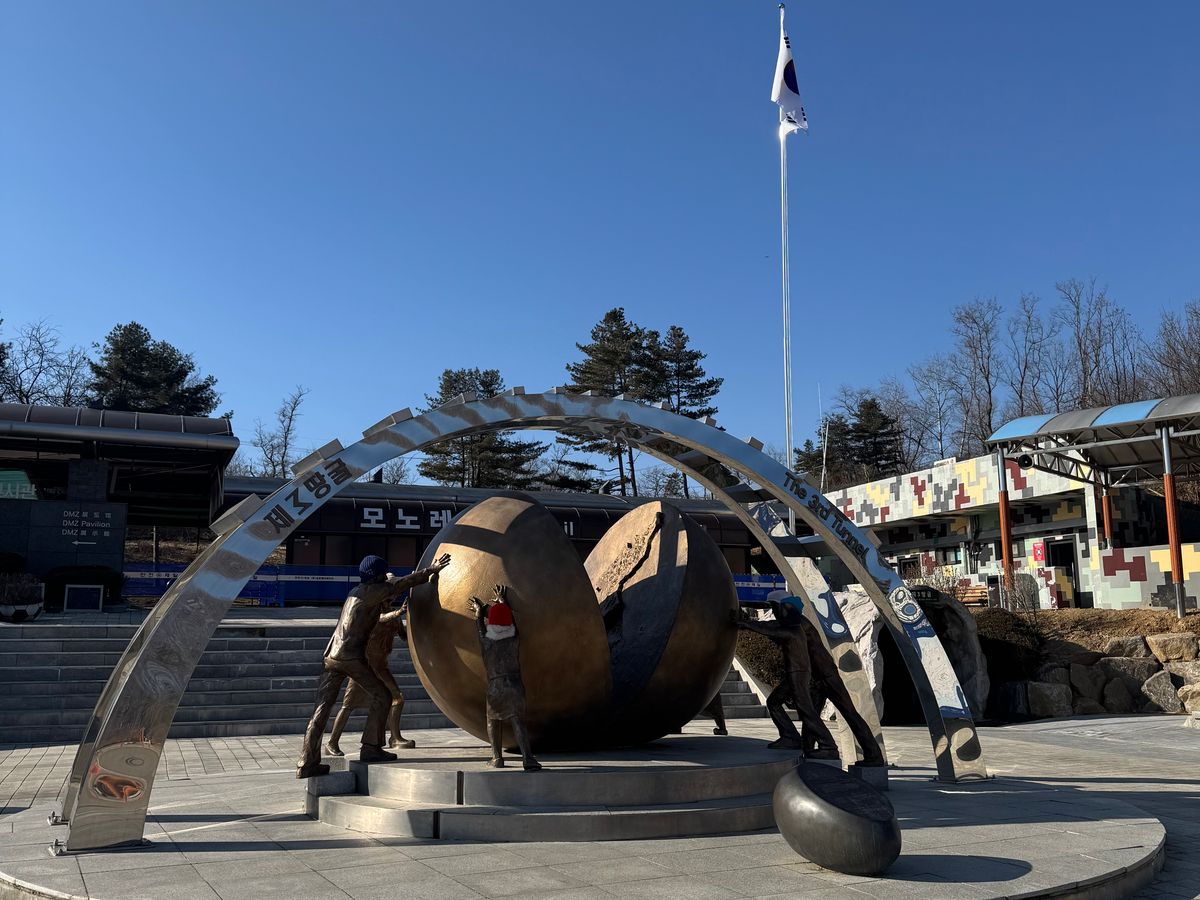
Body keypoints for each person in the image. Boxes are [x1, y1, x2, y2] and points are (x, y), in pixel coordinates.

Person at [296, 553, 450, 779]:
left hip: (331, 656)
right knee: (383, 696)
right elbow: (401, 584)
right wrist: (431, 570)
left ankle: (307, 762)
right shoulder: (373, 592)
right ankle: (370, 747)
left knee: (321, 709)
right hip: (350, 657)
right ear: (378, 576)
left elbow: (393, 588)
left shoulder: (356, 591)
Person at [735, 595, 840, 758]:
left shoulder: (795, 626)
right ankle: (791, 737)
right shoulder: (792, 622)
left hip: (800, 674)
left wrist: (746, 624)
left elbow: (771, 629)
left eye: (775, 608)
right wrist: (743, 614)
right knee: (776, 702)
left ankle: (828, 745)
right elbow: (769, 621)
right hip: (797, 673)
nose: (774, 612)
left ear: (783, 607)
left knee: (806, 710)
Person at [325, 598, 414, 757]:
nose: (390, 597)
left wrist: (415, 622)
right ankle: (332, 743)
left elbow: (404, 636)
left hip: (381, 667)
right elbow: (381, 619)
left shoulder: (394, 616)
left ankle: (395, 738)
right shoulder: (372, 612)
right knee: (348, 706)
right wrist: (398, 612)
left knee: (397, 699)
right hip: (364, 667)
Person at [469, 584, 541, 771]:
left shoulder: (486, 642)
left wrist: (479, 612)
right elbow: (513, 624)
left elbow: (479, 627)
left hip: (496, 686)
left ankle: (497, 758)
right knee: (518, 721)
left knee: (493, 721)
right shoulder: (514, 637)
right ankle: (528, 758)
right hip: (515, 685)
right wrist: (503, 602)